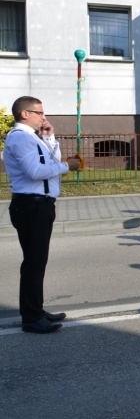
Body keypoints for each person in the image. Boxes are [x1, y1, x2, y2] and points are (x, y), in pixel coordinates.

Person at [4, 96, 81, 334]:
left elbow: (50, 161)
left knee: (37, 262)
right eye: (39, 113)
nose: (43, 117)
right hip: (30, 206)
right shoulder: (20, 139)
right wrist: (68, 166)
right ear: (24, 114)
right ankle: (31, 317)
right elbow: (35, 171)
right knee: (33, 264)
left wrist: (49, 137)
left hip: (39, 206)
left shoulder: (33, 138)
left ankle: (36, 309)